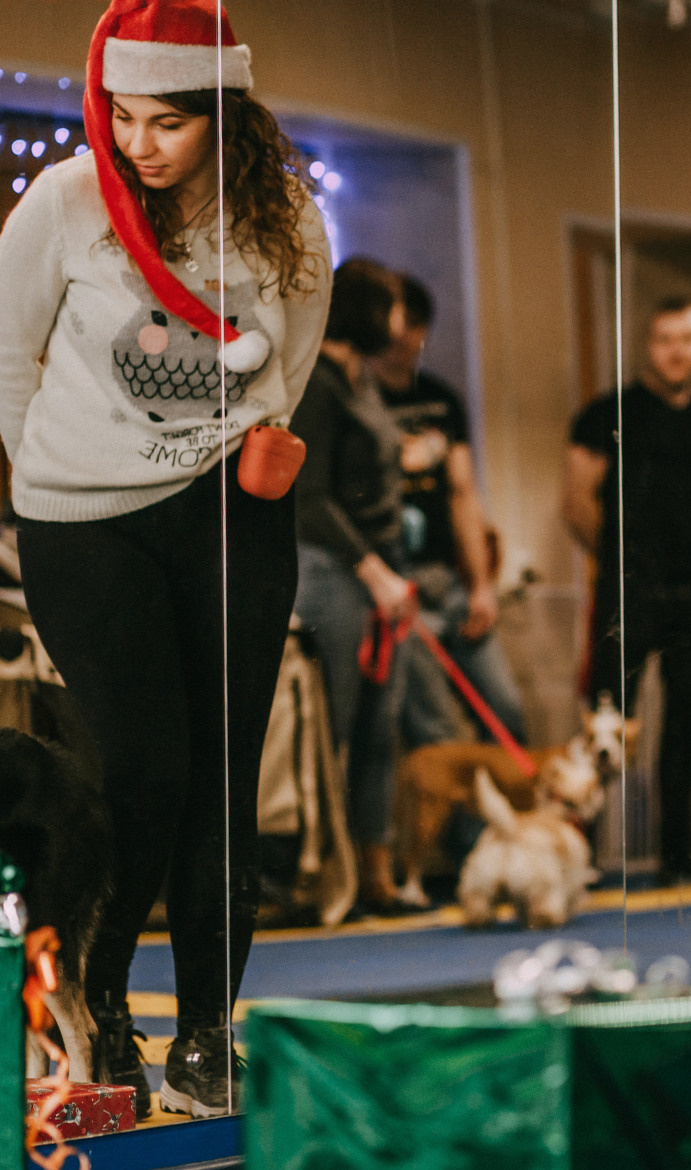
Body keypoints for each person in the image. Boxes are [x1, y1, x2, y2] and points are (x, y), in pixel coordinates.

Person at [0, 0, 329, 1117]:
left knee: (226, 780)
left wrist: (224, 447)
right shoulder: (67, 199)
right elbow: (4, 349)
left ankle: (209, 1037)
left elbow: (298, 348)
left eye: (167, 121)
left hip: (229, 511)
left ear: (226, 112)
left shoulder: (286, 219)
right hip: (85, 523)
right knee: (144, 771)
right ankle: (100, 1008)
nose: (137, 143)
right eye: (123, 116)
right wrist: (57, 465)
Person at [563, 297, 691, 885]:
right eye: (665, 339)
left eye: (688, 337)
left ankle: (677, 859)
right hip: (627, 591)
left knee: (683, 724)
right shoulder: (606, 413)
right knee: (606, 725)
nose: (677, 350)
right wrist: (617, 564)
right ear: (648, 344)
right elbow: (576, 503)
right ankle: (575, 856)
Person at [290, 259, 425, 913]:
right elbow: (308, 495)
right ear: (370, 310)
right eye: (395, 306)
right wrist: (374, 572)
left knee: (380, 727)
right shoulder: (313, 381)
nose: (402, 323)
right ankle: (318, 875)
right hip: (334, 570)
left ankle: (375, 873)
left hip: (382, 568)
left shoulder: (361, 380)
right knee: (330, 730)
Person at [374, 272, 528, 746]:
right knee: (435, 731)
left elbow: (463, 492)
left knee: (505, 711)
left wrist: (483, 586)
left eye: (416, 324)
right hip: (399, 585)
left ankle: (501, 824)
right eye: (398, 323)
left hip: (448, 579)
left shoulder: (442, 401)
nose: (405, 336)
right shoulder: (358, 400)